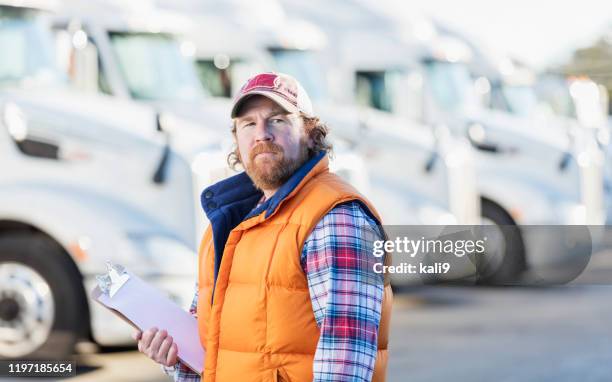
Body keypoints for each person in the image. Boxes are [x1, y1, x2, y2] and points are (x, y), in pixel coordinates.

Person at [133, 72, 392, 382]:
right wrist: (175, 356)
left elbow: (346, 360)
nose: (262, 134)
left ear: (310, 134)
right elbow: (218, 347)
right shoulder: (230, 221)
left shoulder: (336, 218)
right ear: (237, 138)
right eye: (248, 124)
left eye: (278, 120)